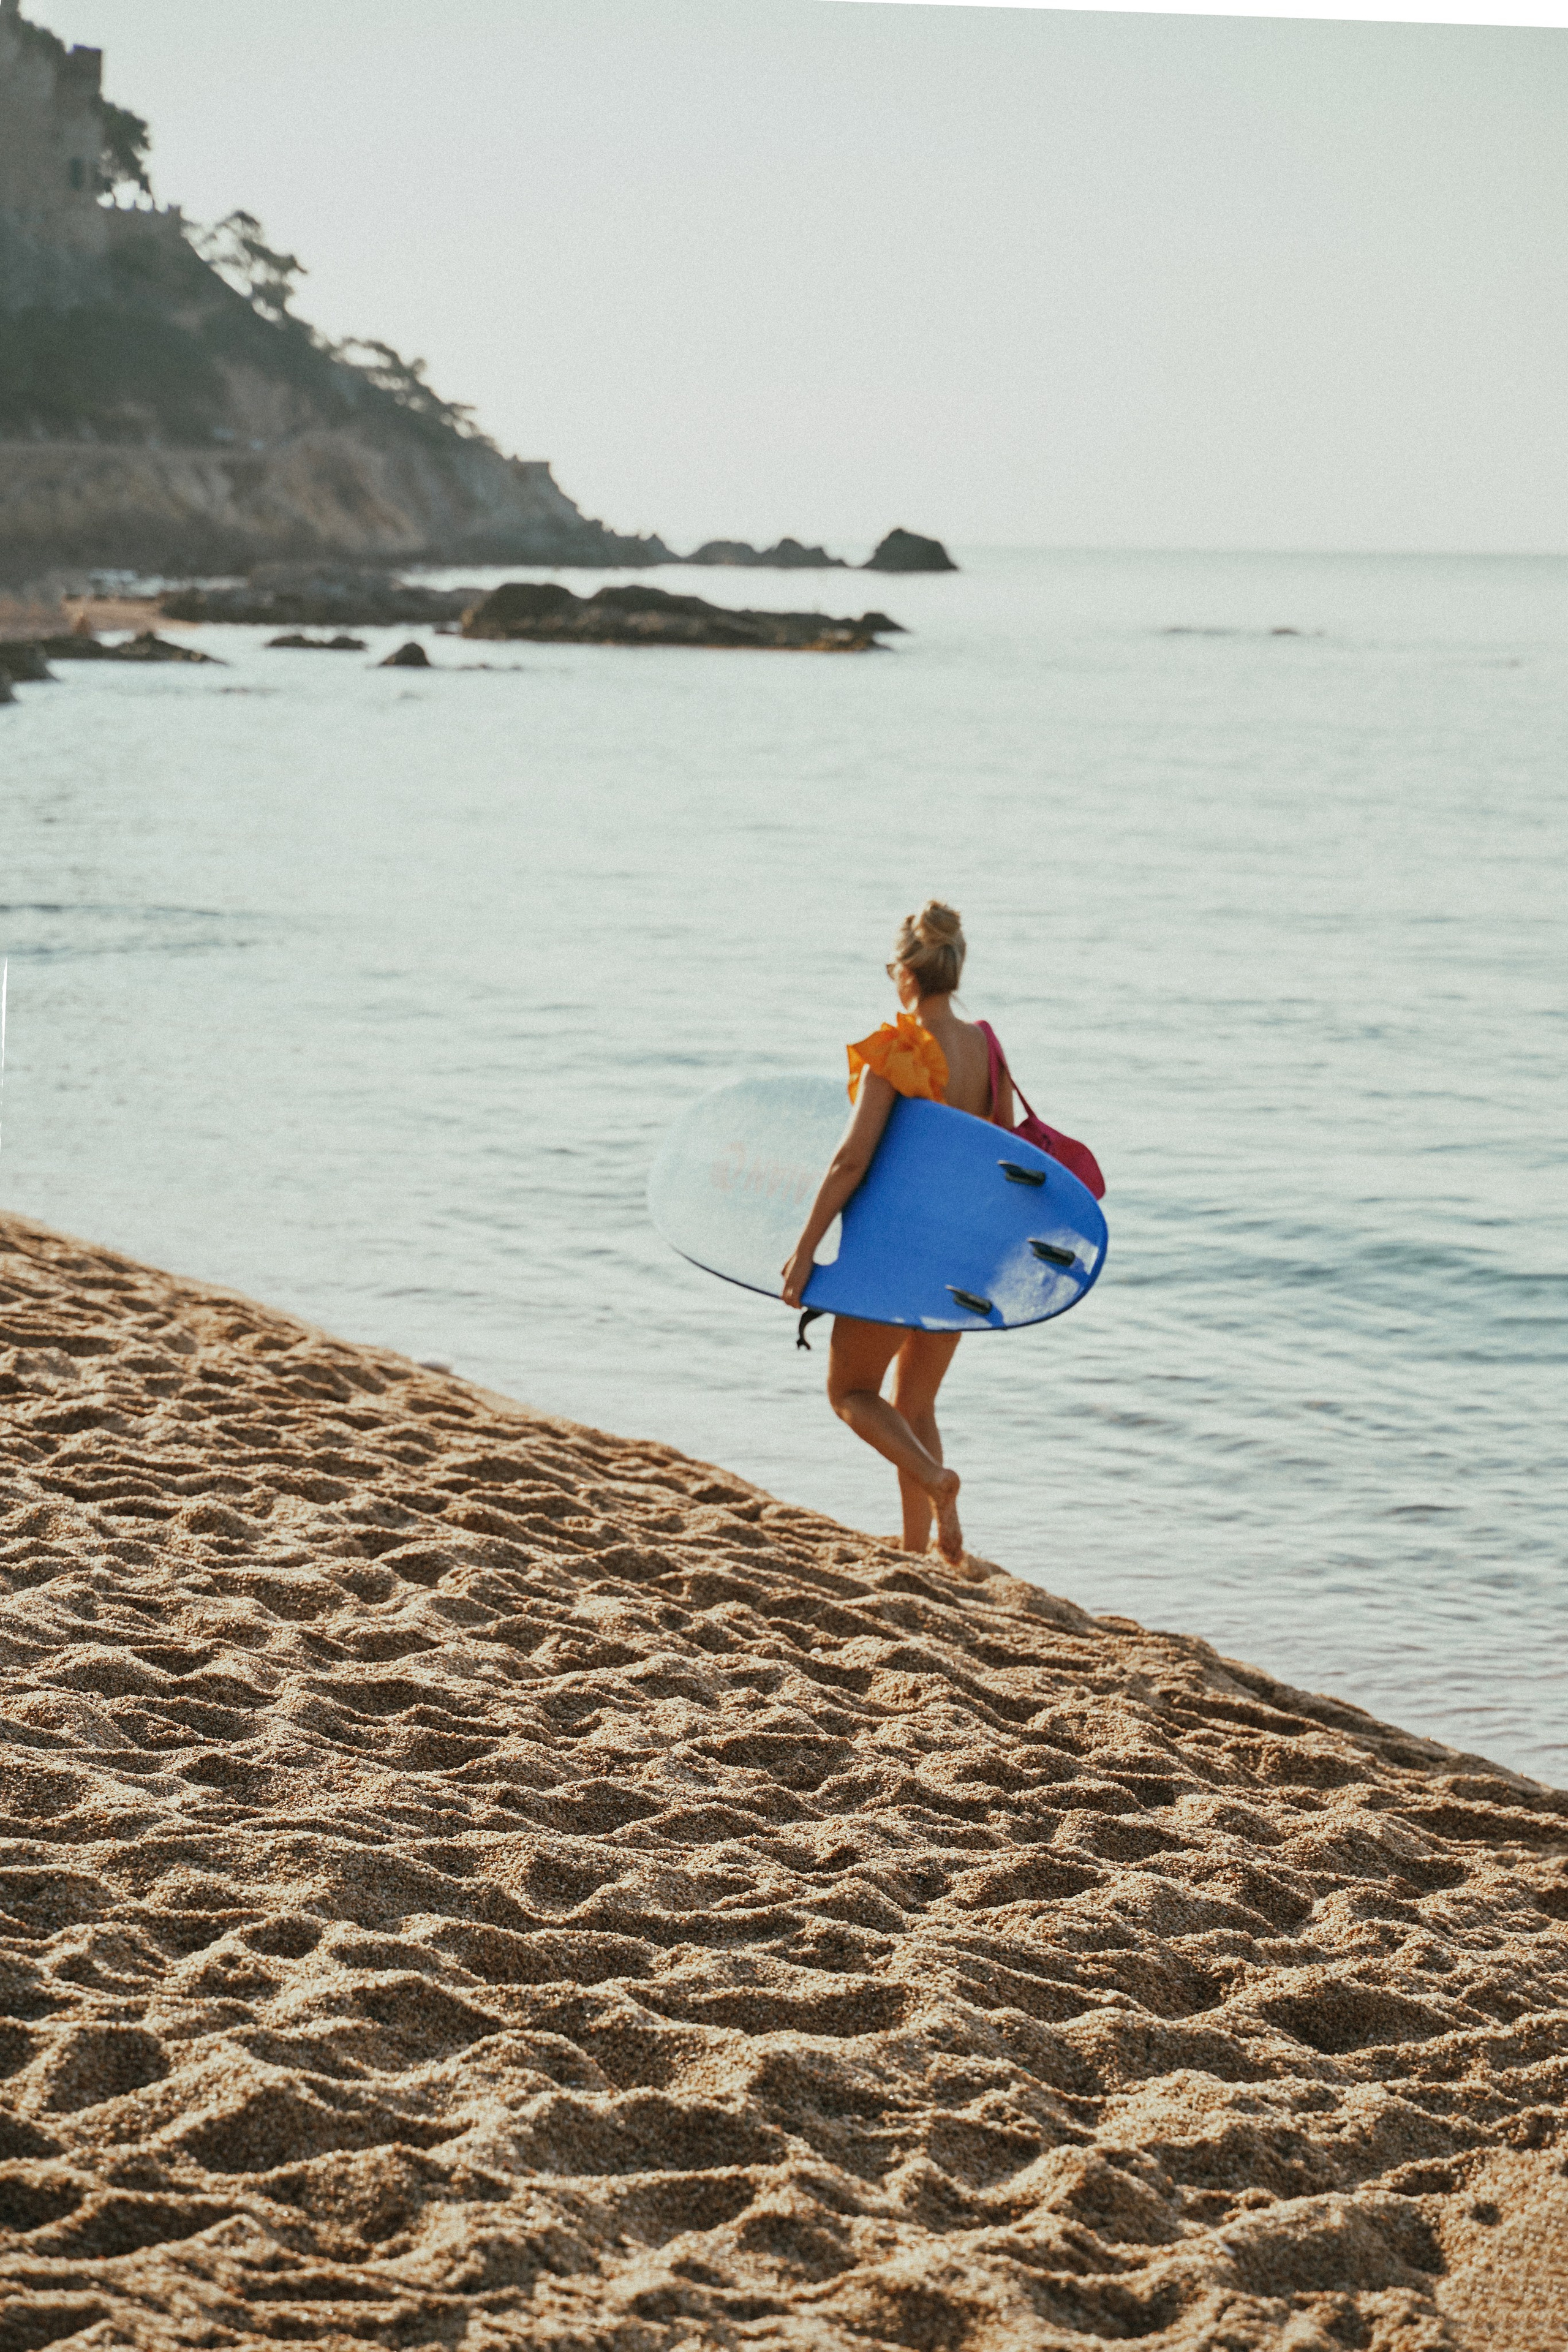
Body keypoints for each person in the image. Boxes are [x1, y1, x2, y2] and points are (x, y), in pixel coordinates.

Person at [780, 902, 1012, 1569]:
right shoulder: (986, 1048)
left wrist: (805, 1250)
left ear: (907, 975)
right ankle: (925, 1550)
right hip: (960, 1253)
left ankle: (939, 1484)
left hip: (893, 1253)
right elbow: (999, 1152)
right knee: (916, 1403)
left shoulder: (896, 1049)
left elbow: (850, 1160)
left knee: (850, 1394)